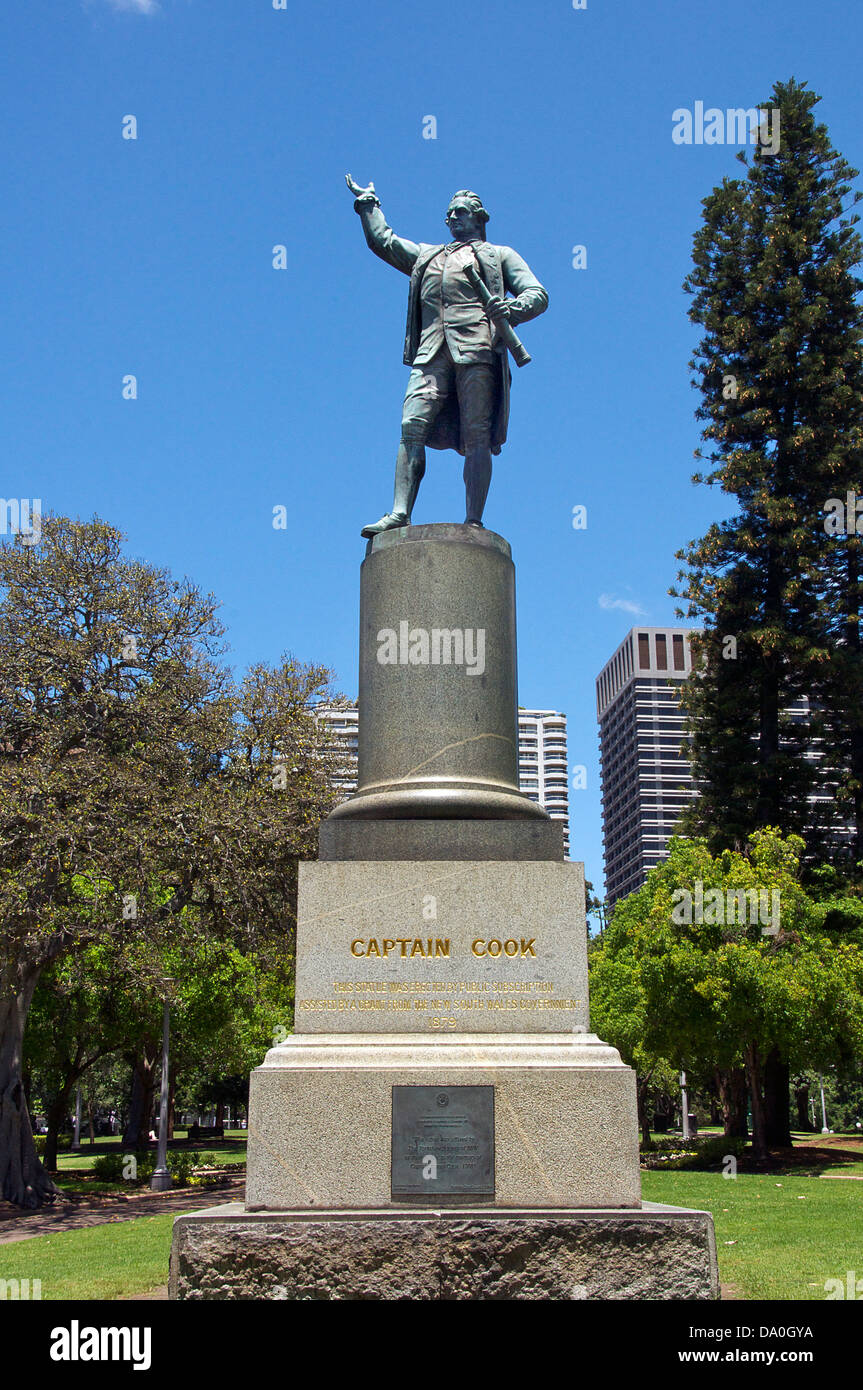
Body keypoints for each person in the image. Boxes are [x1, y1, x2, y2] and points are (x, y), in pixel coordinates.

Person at [346, 177, 548, 536]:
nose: (453, 217)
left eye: (461, 212)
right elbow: (384, 242)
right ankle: (399, 512)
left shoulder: (499, 255)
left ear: (479, 218)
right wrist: (368, 205)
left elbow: (537, 294)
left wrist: (512, 307)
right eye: (449, 213)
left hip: (477, 350)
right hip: (431, 352)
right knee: (411, 426)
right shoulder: (427, 255)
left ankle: (473, 520)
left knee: (477, 436)